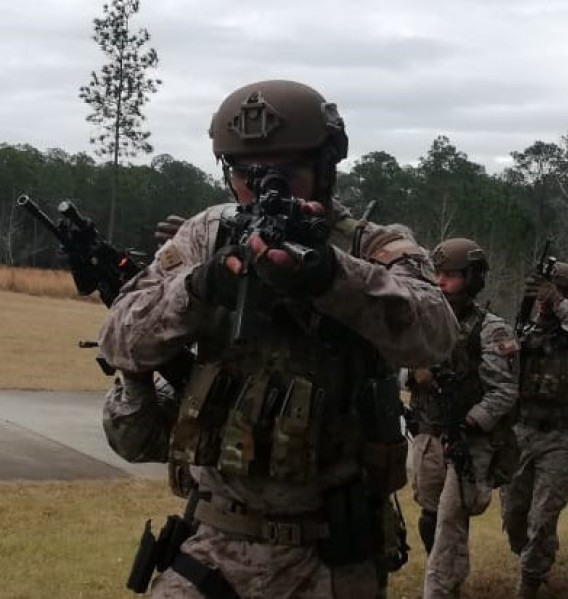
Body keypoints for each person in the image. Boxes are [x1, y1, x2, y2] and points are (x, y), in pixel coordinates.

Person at [98, 79, 458, 599]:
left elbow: (437, 336)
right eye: (247, 175)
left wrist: (332, 278)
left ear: (326, 166)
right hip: (213, 542)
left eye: (286, 174)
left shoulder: (373, 245)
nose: (265, 189)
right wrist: (200, 288)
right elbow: (118, 337)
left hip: (329, 556)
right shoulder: (204, 236)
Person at [406, 237, 519, 599]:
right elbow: (395, 361)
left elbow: (504, 391)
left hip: (467, 441)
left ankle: (438, 590)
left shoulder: (491, 329)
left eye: (450, 275)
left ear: (471, 279)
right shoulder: (422, 320)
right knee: (430, 515)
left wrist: (470, 422)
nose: (440, 282)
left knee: (451, 520)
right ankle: (451, 582)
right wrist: (414, 375)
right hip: (427, 433)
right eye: (437, 274)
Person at [500, 262, 568, 598]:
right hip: (520, 431)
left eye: (553, 296)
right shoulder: (524, 331)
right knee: (513, 516)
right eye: (542, 297)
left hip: (560, 436)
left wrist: (559, 304)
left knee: (543, 516)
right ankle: (536, 557)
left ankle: (529, 582)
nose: (544, 303)